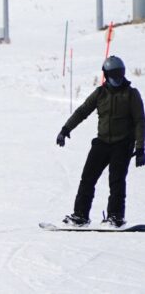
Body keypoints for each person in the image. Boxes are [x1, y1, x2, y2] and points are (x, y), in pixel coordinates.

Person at [56, 56, 144, 228]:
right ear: (106, 75)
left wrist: (140, 148)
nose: (117, 78)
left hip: (122, 144)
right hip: (102, 143)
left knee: (116, 181)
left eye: (120, 74)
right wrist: (65, 129)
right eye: (113, 74)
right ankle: (80, 215)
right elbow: (82, 112)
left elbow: (140, 121)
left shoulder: (131, 94)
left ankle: (115, 217)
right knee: (87, 178)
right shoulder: (100, 93)